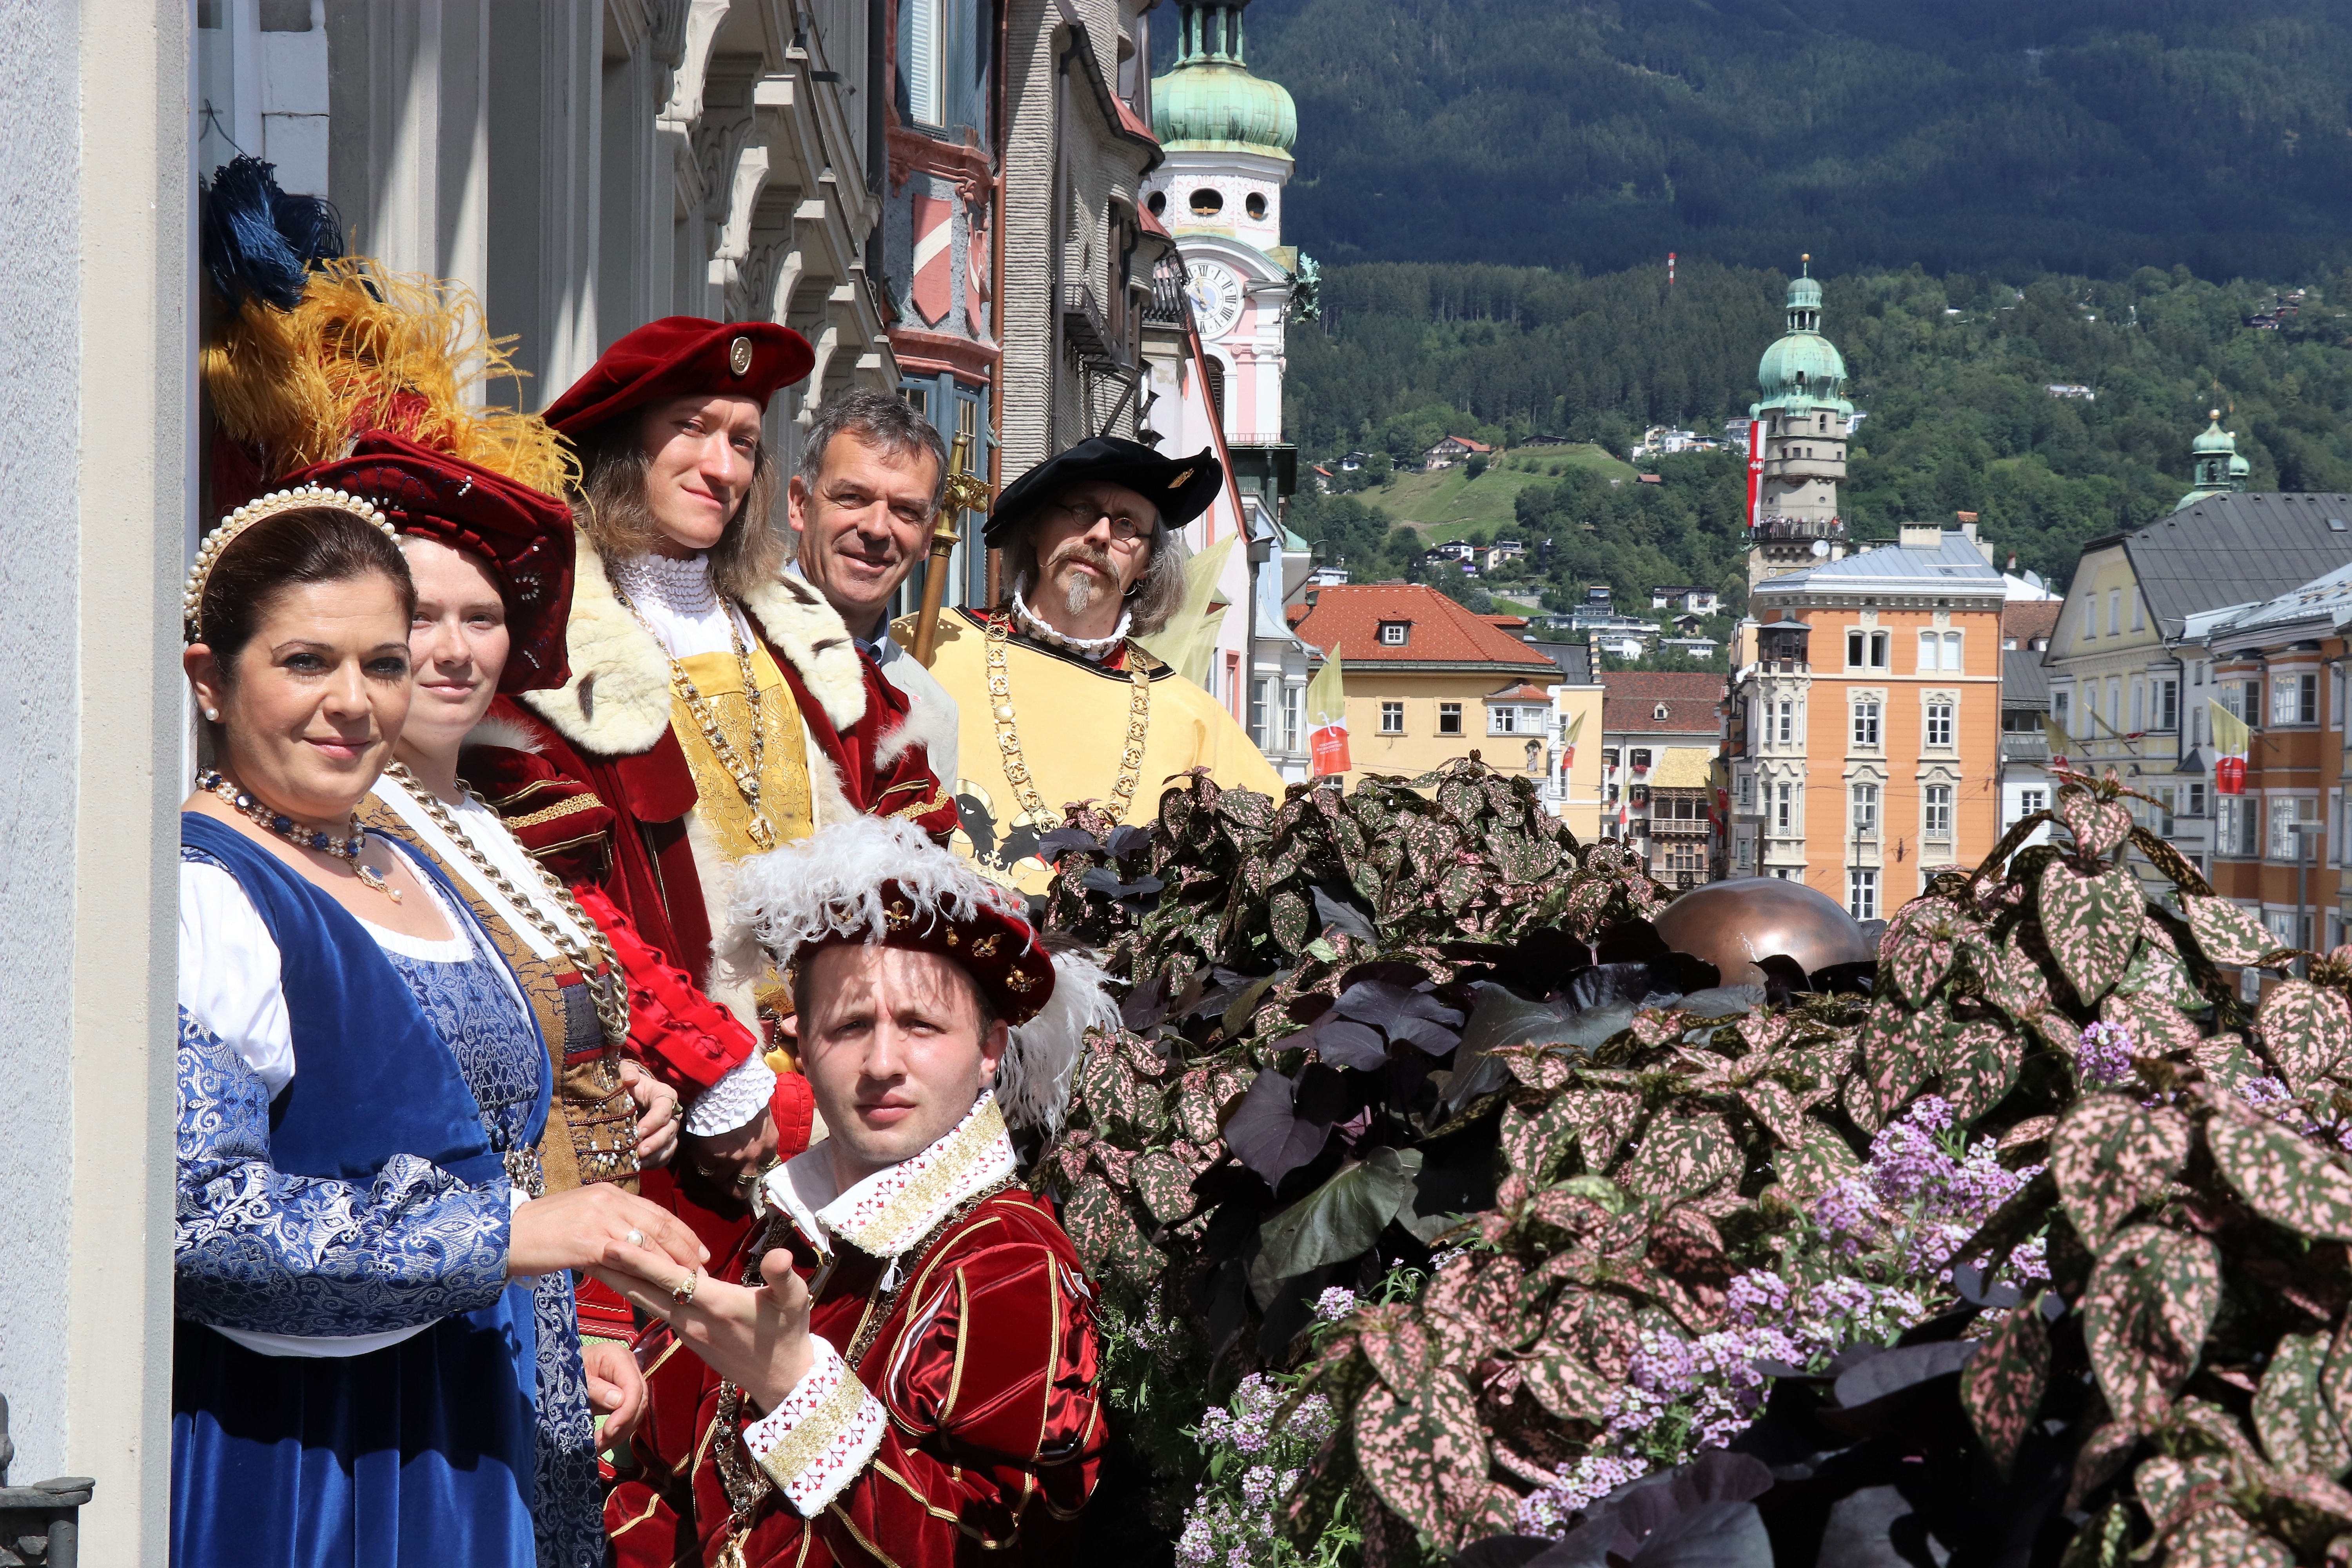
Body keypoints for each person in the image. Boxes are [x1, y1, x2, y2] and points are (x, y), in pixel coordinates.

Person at [171, 487, 707, 1568]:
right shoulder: (207, 891)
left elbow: (474, 1141)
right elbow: (200, 1224)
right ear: (209, 680)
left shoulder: (400, 856)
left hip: (484, 1427)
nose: (353, 701)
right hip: (326, 1456)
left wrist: (555, 1322)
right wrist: (517, 1240)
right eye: (306, 662)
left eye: (381, 662)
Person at [590, 814, 1117, 1567]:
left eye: (922, 1026)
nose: (882, 1062)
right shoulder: (786, 1228)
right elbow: (669, 1487)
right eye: (849, 1026)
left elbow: (997, 1546)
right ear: (801, 1042)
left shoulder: (1008, 1267)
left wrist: (799, 1394)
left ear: (990, 1049)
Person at [897, 436, 1285, 890]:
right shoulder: (926, 643)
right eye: (1081, 511)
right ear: (1036, 527)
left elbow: (1274, 853)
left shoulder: (1191, 717)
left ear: (1145, 565)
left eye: (1126, 526)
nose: (1100, 534)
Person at [784, 388, 961, 791]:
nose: (877, 528)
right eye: (852, 497)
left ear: (928, 535)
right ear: (799, 504)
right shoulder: (722, 633)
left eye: (906, 511)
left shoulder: (932, 708)